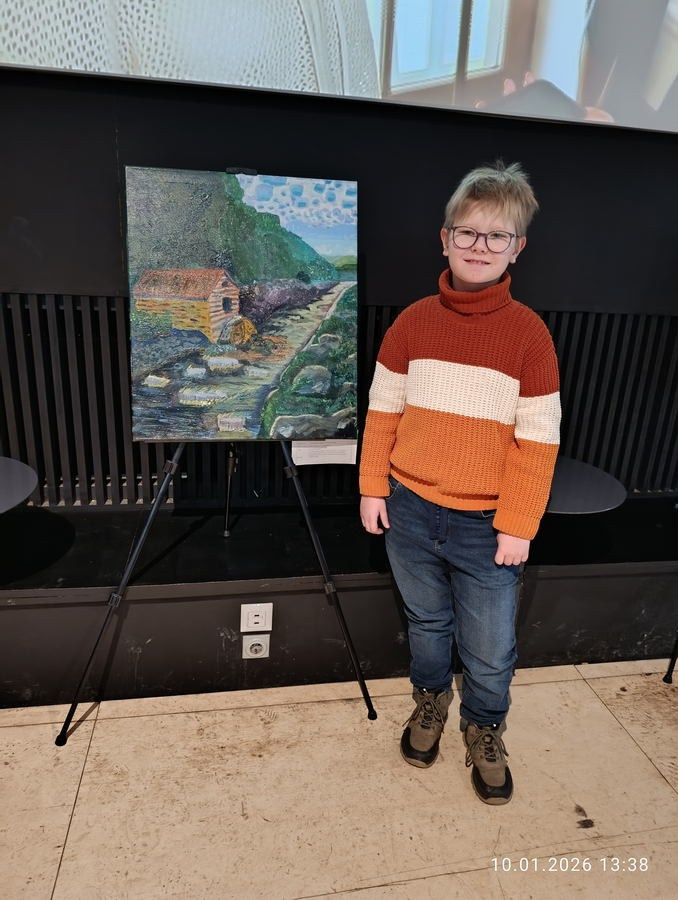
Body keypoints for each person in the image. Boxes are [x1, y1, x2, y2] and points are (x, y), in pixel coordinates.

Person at [359, 161, 560, 805]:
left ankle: (485, 726)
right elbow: (383, 411)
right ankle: (430, 701)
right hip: (410, 509)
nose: (480, 246)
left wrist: (519, 524)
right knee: (426, 622)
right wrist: (372, 486)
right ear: (445, 239)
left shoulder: (530, 336)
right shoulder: (412, 322)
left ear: (516, 248)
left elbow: (538, 442)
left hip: (487, 525)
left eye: (496, 236)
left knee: (491, 646)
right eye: (468, 232)